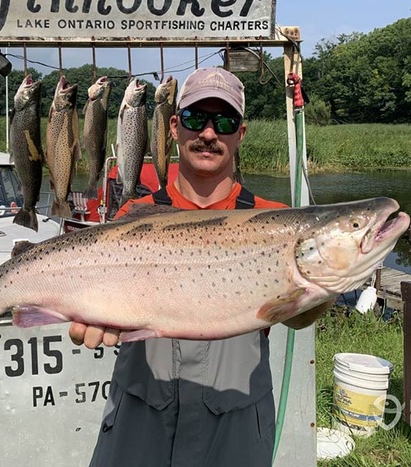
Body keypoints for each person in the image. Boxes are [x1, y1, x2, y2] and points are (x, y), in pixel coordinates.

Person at [69, 67, 320, 467]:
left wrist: (326, 280)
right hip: (140, 421)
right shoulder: (136, 216)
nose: (208, 133)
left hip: (235, 426)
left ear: (241, 133)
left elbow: (300, 318)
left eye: (224, 121)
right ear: (173, 127)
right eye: (194, 119)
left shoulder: (276, 222)